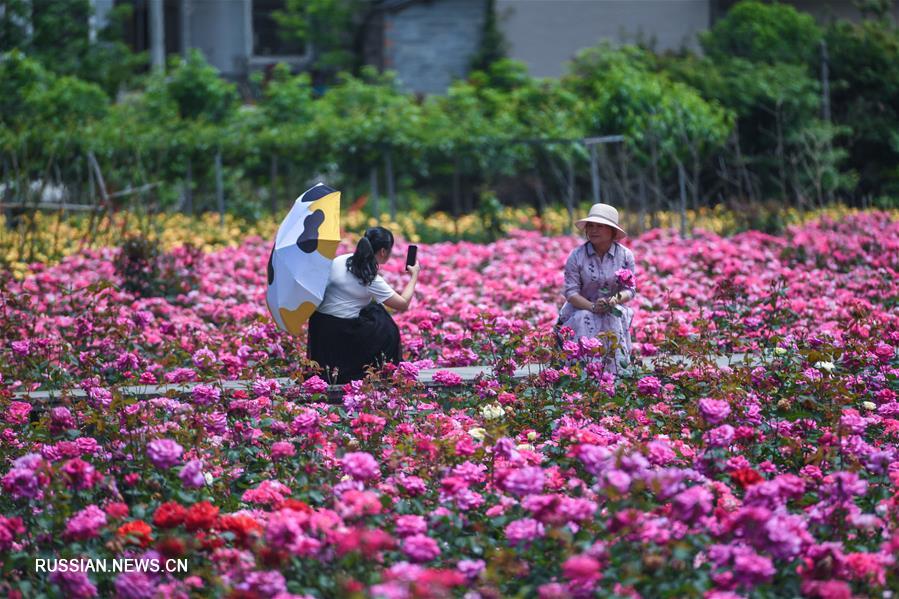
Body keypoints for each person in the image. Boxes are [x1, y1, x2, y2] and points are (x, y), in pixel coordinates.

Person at [308, 226, 421, 383]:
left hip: (319, 328)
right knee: (386, 327)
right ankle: (377, 371)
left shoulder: (339, 260)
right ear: (383, 251)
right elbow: (402, 304)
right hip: (340, 333)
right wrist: (414, 275)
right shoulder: (369, 278)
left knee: (373, 309)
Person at [557, 203, 637, 374]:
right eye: (590, 226)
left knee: (613, 316)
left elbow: (630, 289)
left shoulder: (625, 256)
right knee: (584, 317)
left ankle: (615, 373)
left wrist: (614, 300)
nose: (593, 230)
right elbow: (571, 293)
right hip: (580, 308)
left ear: (612, 232)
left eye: (600, 226)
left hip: (612, 307)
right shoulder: (576, 256)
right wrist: (593, 307)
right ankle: (583, 372)